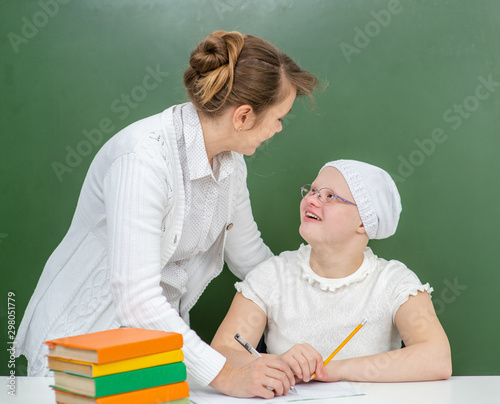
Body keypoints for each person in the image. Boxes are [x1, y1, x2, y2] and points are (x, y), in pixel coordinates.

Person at [15, 30, 318, 398]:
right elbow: (137, 299)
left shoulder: (232, 164)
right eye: (279, 117)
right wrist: (226, 375)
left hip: (148, 356)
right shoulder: (143, 159)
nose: (279, 129)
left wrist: (317, 307)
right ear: (243, 116)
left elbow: (250, 257)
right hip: (79, 355)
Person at [211, 159, 452, 384]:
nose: (312, 200)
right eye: (313, 191)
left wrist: (329, 370)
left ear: (363, 222)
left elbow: (437, 358)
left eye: (329, 196)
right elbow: (222, 352)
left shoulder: (394, 282)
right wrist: (279, 362)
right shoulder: (272, 275)